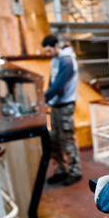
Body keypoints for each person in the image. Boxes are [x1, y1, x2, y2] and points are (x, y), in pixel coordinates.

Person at [42, 35, 82, 186]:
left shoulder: (66, 60)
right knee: (54, 139)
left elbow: (58, 86)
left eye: (48, 50)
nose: (47, 54)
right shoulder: (56, 59)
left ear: (56, 46)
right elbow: (52, 83)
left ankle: (75, 172)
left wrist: (42, 100)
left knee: (66, 139)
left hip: (65, 105)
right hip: (56, 105)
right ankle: (60, 170)